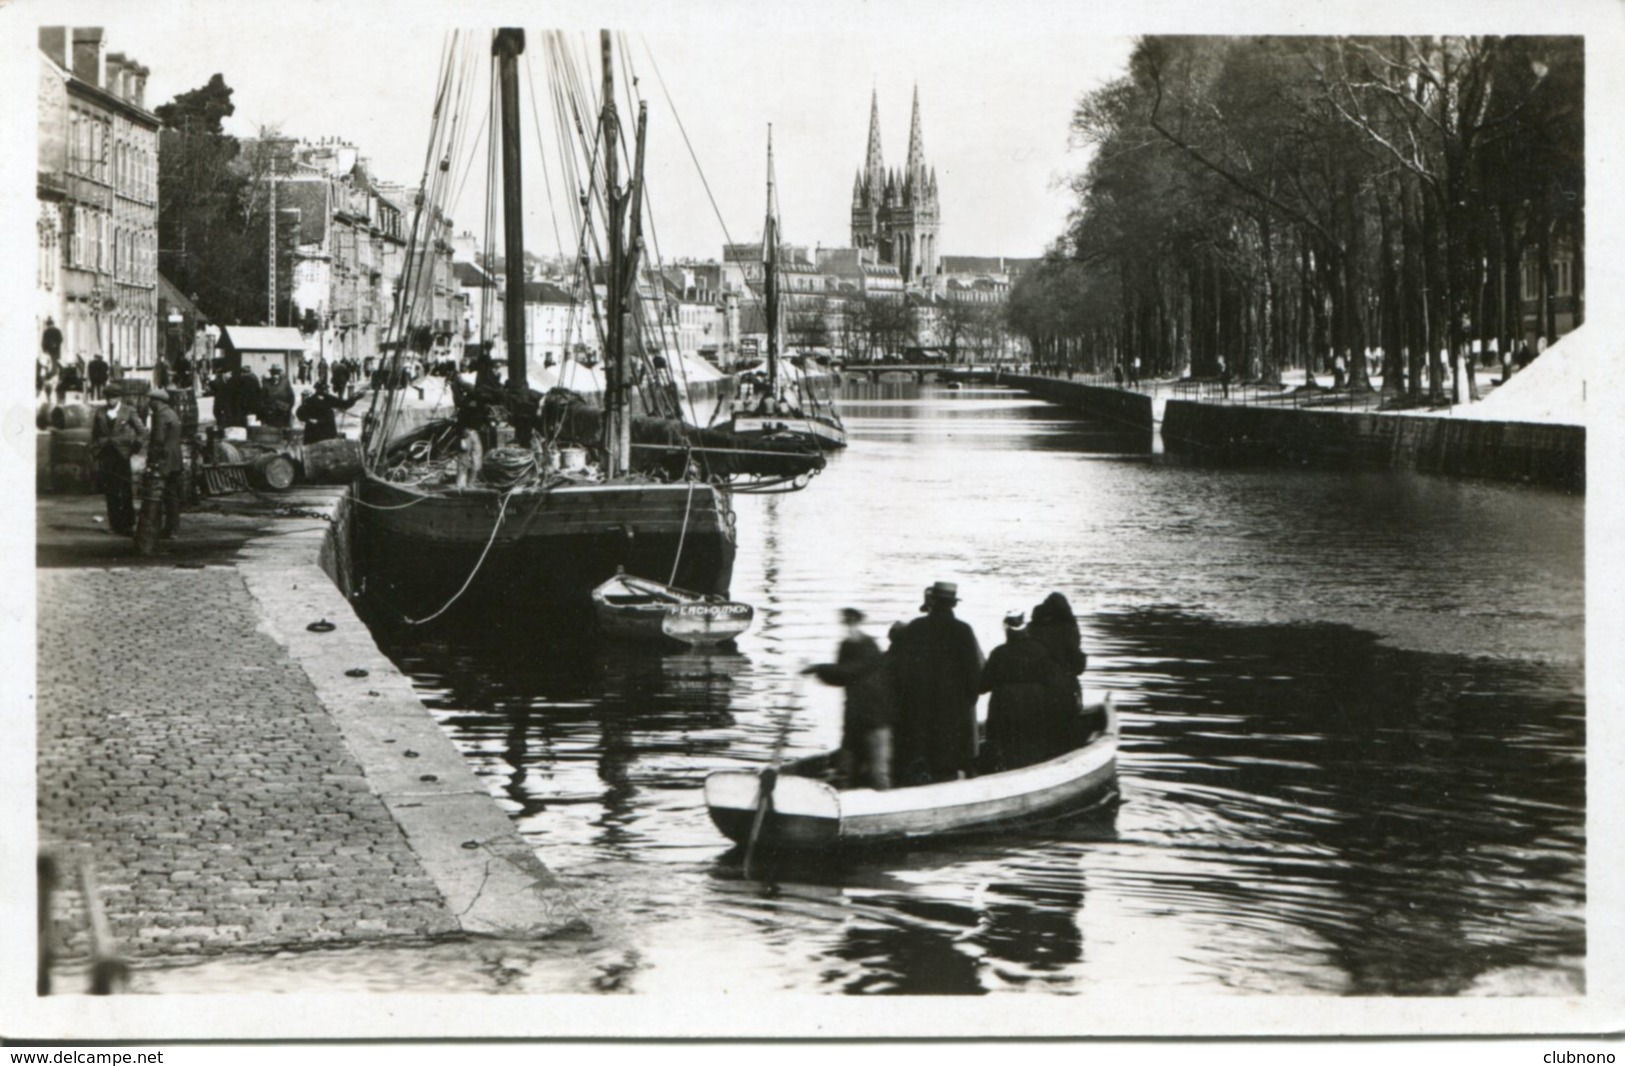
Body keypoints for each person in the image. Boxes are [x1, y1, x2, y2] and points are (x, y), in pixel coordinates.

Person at [889, 581, 985, 785]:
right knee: (947, 759)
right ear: (953, 604)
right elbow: (973, 673)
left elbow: (903, 669)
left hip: (920, 705)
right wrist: (967, 701)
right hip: (952, 708)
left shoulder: (916, 627)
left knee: (922, 754)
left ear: (932, 601)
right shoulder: (963, 631)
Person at [803, 608, 895, 790]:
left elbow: (852, 670)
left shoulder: (869, 646)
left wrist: (818, 668)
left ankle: (884, 802)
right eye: (847, 623)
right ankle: (842, 798)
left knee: (878, 772)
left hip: (875, 718)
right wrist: (818, 674)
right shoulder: (846, 645)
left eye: (852, 623)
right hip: (854, 717)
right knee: (845, 769)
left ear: (858, 623)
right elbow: (840, 676)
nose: (849, 627)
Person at [979, 610, 1064, 773]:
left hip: (1004, 703)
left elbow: (984, 685)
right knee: (1031, 741)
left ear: (1006, 629)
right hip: (1034, 702)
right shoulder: (1040, 650)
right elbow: (1052, 681)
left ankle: (1003, 770)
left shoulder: (998, 653)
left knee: (1004, 742)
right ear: (1025, 628)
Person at [1027, 591, 1095, 751]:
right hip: (1064, 689)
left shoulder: (1031, 628)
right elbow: (1077, 666)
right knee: (1066, 726)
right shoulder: (1068, 629)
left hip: (1034, 689)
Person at [90, 383, 148, 535]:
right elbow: (95, 434)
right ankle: (114, 524)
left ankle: (129, 523)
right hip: (106, 454)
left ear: (119, 397)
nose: (110, 401)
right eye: (108, 398)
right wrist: (95, 449)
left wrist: (135, 448)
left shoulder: (128, 411)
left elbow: (142, 431)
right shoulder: (100, 413)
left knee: (125, 488)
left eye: (113, 397)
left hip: (122, 455)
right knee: (110, 490)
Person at [145, 387, 184, 538]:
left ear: (157, 401)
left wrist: (152, 461)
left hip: (164, 460)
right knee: (172, 495)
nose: (149, 403)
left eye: (151, 400)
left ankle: (163, 529)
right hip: (175, 459)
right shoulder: (171, 413)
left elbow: (158, 440)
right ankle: (172, 528)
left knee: (160, 495)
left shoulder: (160, 416)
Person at [298, 381, 363, 445]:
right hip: (327, 433)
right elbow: (344, 404)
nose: (327, 391)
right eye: (326, 389)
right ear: (324, 390)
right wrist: (355, 399)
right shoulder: (328, 399)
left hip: (313, 434)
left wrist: (308, 419)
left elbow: (299, 413)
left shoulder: (310, 400)